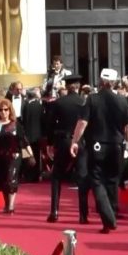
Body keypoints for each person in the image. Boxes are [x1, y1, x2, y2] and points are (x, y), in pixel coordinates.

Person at [71, 69, 128, 233]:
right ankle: (111, 215)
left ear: (100, 81)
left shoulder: (92, 99)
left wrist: (75, 141)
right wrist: (127, 142)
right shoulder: (122, 100)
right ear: (115, 82)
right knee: (112, 181)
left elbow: (82, 123)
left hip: (97, 145)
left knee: (97, 181)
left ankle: (108, 218)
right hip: (116, 145)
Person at [45, 75, 84, 222]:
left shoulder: (58, 103)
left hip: (63, 141)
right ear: (78, 86)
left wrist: (49, 143)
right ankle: (82, 214)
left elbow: (49, 125)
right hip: (80, 142)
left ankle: (54, 211)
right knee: (82, 177)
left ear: (67, 87)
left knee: (56, 176)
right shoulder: (84, 102)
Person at [0, 98, 30, 214]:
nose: (3, 112)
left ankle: (11, 206)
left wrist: (31, 155)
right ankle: (6, 204)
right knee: (2, 181)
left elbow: (24, 141)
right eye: (1, 110)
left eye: (6, 110)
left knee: (11, 179)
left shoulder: (16, 124)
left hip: (14, 156)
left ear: (10, 111)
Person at [20, 87, 44, 181]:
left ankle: (27, 175)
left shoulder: (25, 105)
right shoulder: (39, 105)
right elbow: (42, 120)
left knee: (26, 154)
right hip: (37, 134)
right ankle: (35, 175)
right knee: (36, 155)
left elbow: (23, 119)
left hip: (26, 134)